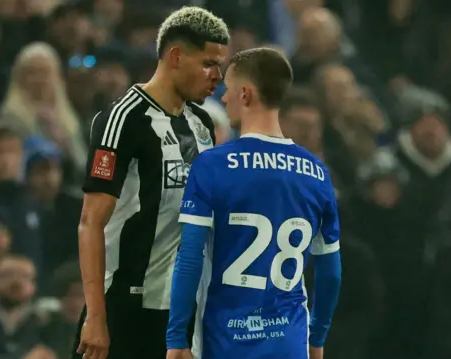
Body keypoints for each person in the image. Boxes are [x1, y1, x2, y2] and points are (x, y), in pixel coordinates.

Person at [166, 48, 342, 359]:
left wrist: (177, 339)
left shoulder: (212, 166)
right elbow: (330, 272)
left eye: (228, 89)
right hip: (289, 343)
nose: (222, 98)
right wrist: (316, 339)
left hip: (225, 342)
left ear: (245, 94)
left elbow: (190, 258)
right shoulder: (316, 172)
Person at [73, 6, 229, 359]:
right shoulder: (124, 119)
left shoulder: (202, 124)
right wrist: (97, 317)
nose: (217, 76)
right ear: (175, 56)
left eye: (220, 66)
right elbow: (90, 222)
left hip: (181, 314)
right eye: (208, 63)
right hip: (125, 308)